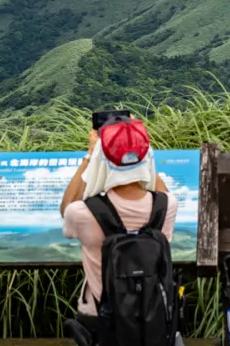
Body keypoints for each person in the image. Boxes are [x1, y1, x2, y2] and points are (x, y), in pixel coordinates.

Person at [59, 116, 176, 343]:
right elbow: (160, 189)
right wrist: (136, 143)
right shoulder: (166, 206)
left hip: (99, 317)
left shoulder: (83, 213)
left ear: (102, 159)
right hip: (154, 315)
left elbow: (67, 207)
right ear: (146, 158)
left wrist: (90, 155)